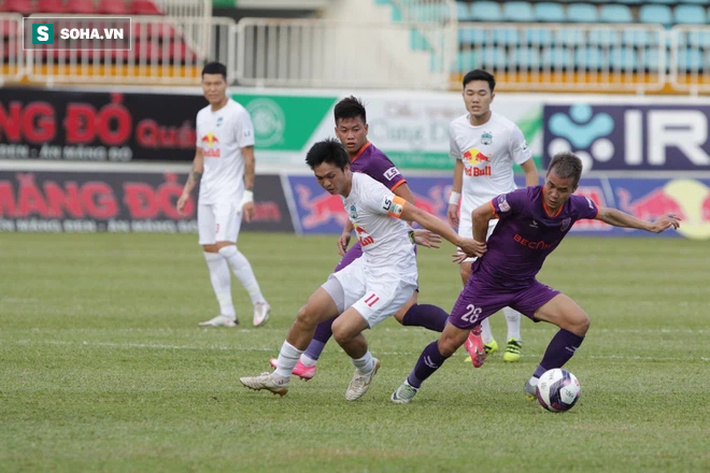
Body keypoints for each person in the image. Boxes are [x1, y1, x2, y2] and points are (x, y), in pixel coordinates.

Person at [390, 152, 680, 404]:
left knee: (578, 322)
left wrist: (650, 226)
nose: (553, 193)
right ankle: (410, 384)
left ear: (573, 189)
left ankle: (537, 381)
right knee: (448, 344)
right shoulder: (522, 199)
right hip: (487, 284)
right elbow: (480, 213)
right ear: (546, 179)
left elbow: (607, 214)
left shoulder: (575, 207)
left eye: (562, 189)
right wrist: (478, 246)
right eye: (550, 185)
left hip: (525, 286)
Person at [240, 139, 484, 399]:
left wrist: (459, 240)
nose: (326, 183)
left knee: (342, 330)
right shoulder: (345, 190)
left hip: (393, 277)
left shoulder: (370, 191)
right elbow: (380, 228)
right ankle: (279, 377)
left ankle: (366, 368)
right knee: (308, 313)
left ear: (347, 168)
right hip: (367, 265)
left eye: (331, 176)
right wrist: (410, 235)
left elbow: (417, 213)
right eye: (320, 178)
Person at [269, 97, 450, 380]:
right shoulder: (341, 160)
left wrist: (408, 234)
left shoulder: (374, 160)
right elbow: (357, 203)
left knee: (342, 296)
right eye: (344, 130)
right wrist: (347, 229)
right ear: (336, 131)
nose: (350, 135)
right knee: (401, 312)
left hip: (391, 245)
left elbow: (407, 201)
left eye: (355, 129)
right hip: (372, 241)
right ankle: (308, 360)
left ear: (366, 128)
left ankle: (310, 359)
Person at [447, 69, 539, 367]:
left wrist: (531, 207)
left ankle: (514, 337)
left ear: (492, 96)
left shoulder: (507, 130)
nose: (475, 98)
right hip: (469, 212)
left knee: (504, 273)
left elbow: (530, 169)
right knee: (467, 271)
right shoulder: (456, 128)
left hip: (502, 210)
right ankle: (486, 339)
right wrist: (455, 199)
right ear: (463, 95)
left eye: (481, 93)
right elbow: (460, 162)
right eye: (470, 93)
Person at [176, 61, 270, 328]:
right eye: (207, 83)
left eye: (217, 83)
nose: (212, 88)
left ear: (226, 84)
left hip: (230, 192)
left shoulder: (238, 114)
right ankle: (227, 313)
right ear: (202, 85)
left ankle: (259, 301)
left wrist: (248, 194)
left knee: (226, 247)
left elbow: (249, 157)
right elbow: (200, 156)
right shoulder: (202, 116)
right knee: (210, 251)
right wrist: (187, 191)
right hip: (207, 191)